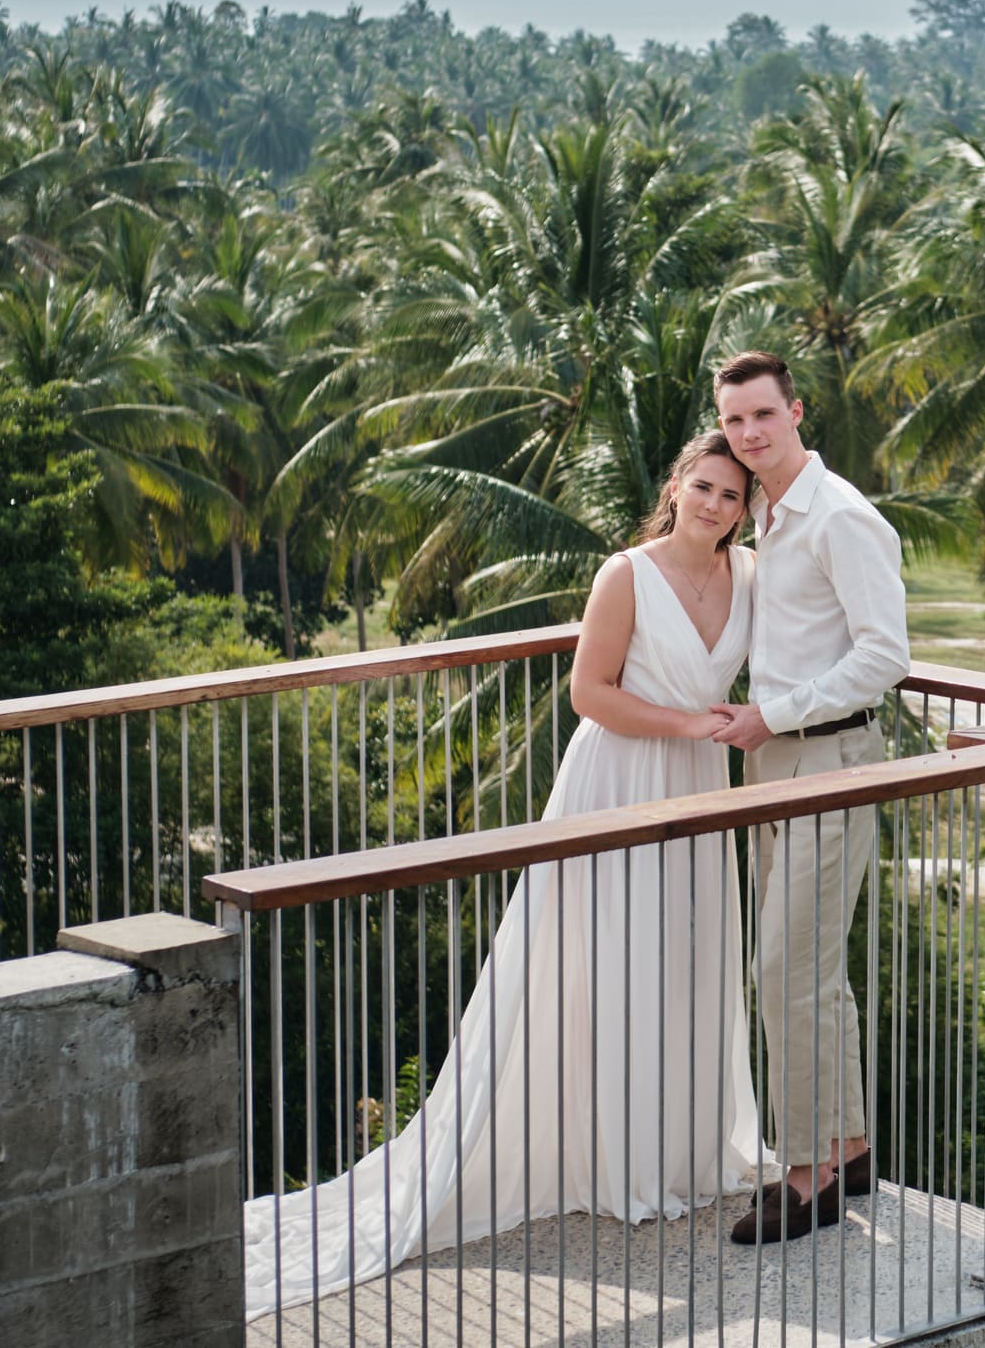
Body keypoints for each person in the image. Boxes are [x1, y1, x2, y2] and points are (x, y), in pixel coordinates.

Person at [243, 432, 763, 1318]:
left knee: (687, 958)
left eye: (733, 495)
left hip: (702, 787)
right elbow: (588, 692)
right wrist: (688, 726)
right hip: (621, 778)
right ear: (675, 487)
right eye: (704, 486)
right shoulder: (625, 573)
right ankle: (612, 1156)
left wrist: (749, 722)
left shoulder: (749, 575)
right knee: (604, 961)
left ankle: (680, 1147)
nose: (715, 505)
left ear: (747, 509)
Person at [705, 349, 910, 1244]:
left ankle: (807, 1173)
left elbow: (883, 655)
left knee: (785, 970)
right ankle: (851, 1143)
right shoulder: (769, 516)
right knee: (811, 968)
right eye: (734, 419)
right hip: (775, 763)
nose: (748, 434)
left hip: (829, 758)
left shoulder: (839, 517)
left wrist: (772, 712)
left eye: (762, 415)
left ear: (797, 412)